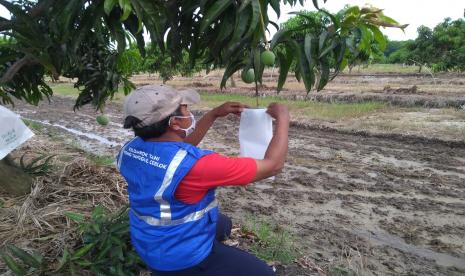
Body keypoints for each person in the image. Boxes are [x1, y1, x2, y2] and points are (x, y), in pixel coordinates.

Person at [117, 84, 289, 275]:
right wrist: (283, 118)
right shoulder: (197, 166)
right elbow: (273, 165)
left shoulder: (130, 149)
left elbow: (177, 147)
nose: (189, 112)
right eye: (185, 108)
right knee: (263, 272)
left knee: (223, 224)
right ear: (175, 122)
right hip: (180, 259)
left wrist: (214, 114)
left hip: (147, 241)